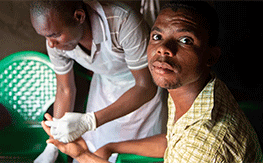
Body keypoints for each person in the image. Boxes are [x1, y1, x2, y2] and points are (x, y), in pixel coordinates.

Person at [41, 1, 263, 162]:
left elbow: (188, 146)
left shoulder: (204, 147)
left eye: (185, 40)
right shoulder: (197, 91)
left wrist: (83, 154)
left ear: (211, 57)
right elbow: (172, 141)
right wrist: (111, 146)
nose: (163, 49)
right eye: (157, 37)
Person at [30, 0, 167, 162]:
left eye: (55, 35)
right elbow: (64, 89)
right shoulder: (54, 37)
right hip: (104, 88)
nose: (51, 44)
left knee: (129, 156)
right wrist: (54, 144)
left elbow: (146, 86)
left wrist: (90, 121)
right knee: (93, 152)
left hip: (141, 96)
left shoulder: (122, 22)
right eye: (46, 36)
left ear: (79, 16)